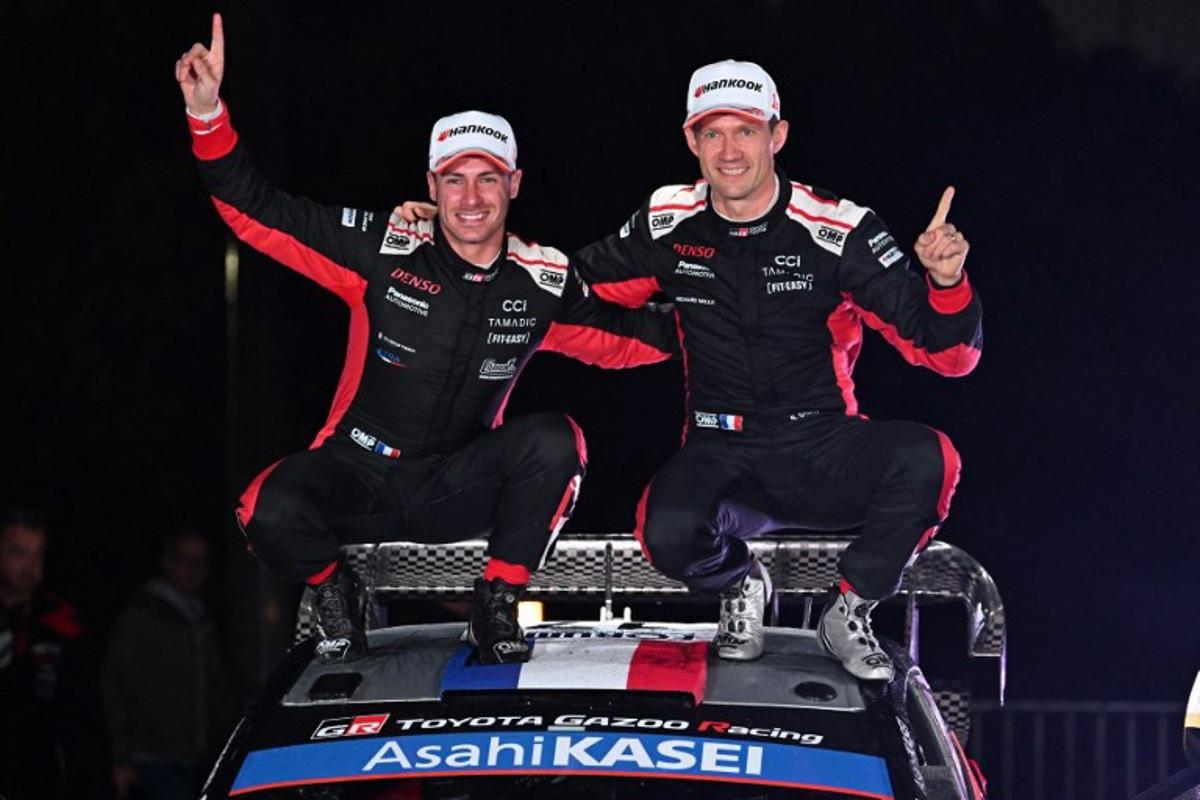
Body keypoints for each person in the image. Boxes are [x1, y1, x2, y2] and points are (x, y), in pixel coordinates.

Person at [398, 59, 981, 681]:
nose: (729, 151)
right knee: (662, 529)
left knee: (930, 458)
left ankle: (850, 609)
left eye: (746, 132)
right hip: (721, 446)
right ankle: (740, 586)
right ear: (690, 141)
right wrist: (449, 240)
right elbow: (565, 286)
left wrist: (946, 281)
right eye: (712, 133)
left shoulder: (840, 229)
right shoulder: (667, 220)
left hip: (824, 442)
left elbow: (947, 355)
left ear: (777, 136)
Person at [174, 16, 676, 666]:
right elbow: (255, 209)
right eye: (455, 179)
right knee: (263, 508)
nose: (472, 197)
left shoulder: (542, 280)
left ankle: (497, 600)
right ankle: (334, 591)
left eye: (488, 178)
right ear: (431, 185)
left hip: (453, 487)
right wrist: (207, 111)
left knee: (557, 440)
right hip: (355, 477)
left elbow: (626, 337)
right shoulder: (381, 249)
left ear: (514, 184)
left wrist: (730, 309)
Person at [102, 530, 235, 800]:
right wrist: (121, 757)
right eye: (186, 559)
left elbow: (216, 686)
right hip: (150, 757)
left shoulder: (200, 618)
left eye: (201, 561)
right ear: (167, 562)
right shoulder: (142, 617)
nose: (194, 569)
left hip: (195, 756)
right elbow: (115, 684)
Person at [0, 510, 106, 799]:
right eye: (17, 552)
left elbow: (84, 709)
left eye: (37, 554)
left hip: (43, 779)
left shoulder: (61, 621)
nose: (29, 564)